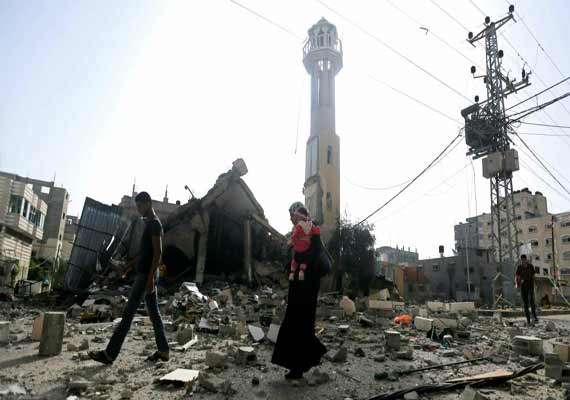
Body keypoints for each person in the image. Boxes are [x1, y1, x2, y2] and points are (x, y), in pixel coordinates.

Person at [89, 191, 169, 364]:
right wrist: (128, 266)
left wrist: (150, 278)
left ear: (148, 203)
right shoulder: (148, 224)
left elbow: (158, 253)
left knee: (128, 314)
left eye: (140, 206)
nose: (139, 210)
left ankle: (109, 354)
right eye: (137, 206)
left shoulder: (155, 224)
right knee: (154, 314)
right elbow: (144, 254)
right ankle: (163, 351)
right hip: (144, 273)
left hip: (146, 275)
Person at [271, 202, 327, 380]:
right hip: (298, 285)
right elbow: (296, 255)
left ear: (298, 214)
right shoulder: (297, 232)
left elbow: (312, 254)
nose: (290, 219)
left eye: (291, 215)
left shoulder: (311, 229)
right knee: (295, 323)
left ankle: (300, 365)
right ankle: (298, 365)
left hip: (307, 286)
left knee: (301, 323)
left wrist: (299, 264)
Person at [288, 207, 320, 281]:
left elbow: (294, 236)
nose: (291, 219)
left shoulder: (299, 226)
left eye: (292, 216)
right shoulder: (310, 225)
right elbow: (316, 231)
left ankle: (292, 273)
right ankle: (301, 271)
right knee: (304, 261)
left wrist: (292, 241)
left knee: (295, 260)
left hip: (300, 251)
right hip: (306, 250)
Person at [515, 254, 538, 326]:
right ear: (521, 260)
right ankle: (528, 319)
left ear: (526, 259)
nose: (523, 261)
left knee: (532, 301)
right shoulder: (519, 267)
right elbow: (517, 276)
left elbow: (533, 275)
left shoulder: (530, 266)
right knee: (525, 303)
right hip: (523, 287)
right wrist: (518, 284)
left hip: (530, 286)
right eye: (522, 260)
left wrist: (535, 284)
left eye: (524, 260)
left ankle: (534, 316)